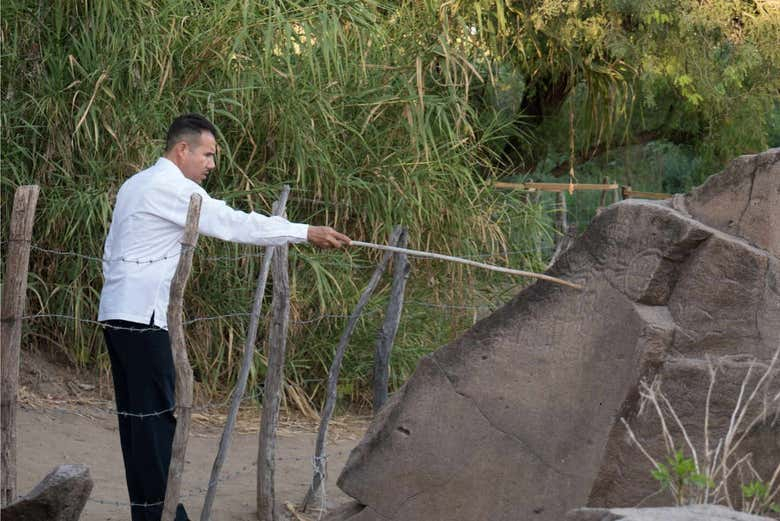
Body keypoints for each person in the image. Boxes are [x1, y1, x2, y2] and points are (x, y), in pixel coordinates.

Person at [98, 113, 350, 521]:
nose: (212, 164)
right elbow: (233, 223)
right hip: (141, 320)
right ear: (183, 150)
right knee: (155, 422)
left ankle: (151, 513)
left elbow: (111, 250)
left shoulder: (136, 182)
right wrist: (304, 232)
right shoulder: (170, 187)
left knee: (139, 423)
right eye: (208, 154)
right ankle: (165, 516)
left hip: (117, 313)